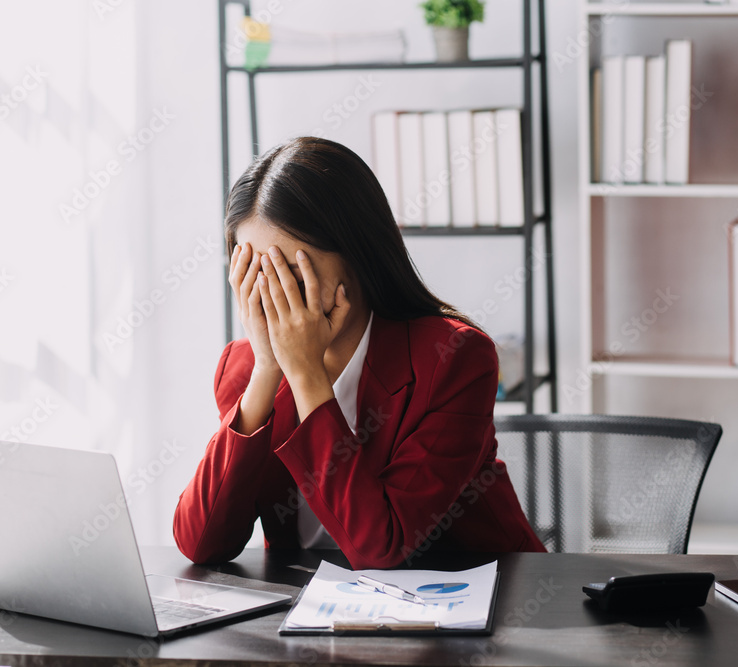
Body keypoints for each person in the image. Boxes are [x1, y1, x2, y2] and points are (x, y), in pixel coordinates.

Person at [173, 136, 545, 569]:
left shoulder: (454, 357)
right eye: (256, 272)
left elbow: (382, 548)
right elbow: (200, 545)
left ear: (356, 253)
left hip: (478, 599)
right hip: (319, 609)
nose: (274, 294)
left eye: (292, 271)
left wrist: (306, 373)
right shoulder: (243, 368)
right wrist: (268, 371)